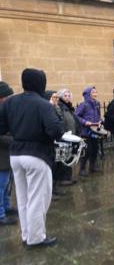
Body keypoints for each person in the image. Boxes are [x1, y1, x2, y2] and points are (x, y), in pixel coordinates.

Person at [0, 68, 64, 247]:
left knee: (23, 198)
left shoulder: (10, 103)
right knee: (38, 198)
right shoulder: (43, 104)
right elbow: (56, 131)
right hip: (37, 155)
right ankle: (36, 238)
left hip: (15, 156)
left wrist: (19, 132)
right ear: (40, 83)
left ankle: (27, 235)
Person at [75, 86, 102, 176]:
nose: (95, 94)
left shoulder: (97, 104)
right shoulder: (84, 105)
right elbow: (76, 116)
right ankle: (82, 169)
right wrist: (85, 122)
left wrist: (100, 121)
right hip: (85, 132)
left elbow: (98, 116)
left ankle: (92, 166)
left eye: (96, 92)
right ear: (88, 94)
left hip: (95, 131)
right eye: (93, 92)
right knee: (87, 150)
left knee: (95, 149)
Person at [44, 91, 66, 199]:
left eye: (57, 97)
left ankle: (55, 188)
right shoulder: (47, 109)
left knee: (58, 165)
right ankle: (50, 192)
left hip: (60, 139)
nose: (56, 99)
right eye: (54, 97)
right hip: (51, 142)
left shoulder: (58, 108)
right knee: (52, 167)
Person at [55, 88, 80, 186]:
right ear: (60, 96)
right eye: (65, 95)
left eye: (69, 95)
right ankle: (63, 178)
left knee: (69, 156)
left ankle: (68, 177)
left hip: (71, 135)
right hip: (65, 136)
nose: (68, 97)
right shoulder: (60, 106)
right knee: (64, 157)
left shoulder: (69, 107)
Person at [0, 81, 16, 226]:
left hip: (7, 155)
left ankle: (6, 207)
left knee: (6, 185)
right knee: (1, 185)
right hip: (1, 156)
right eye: (8, 96)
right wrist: (14, 139)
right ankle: (0, 214)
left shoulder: (5, 110)